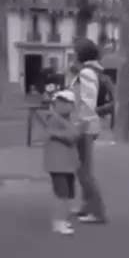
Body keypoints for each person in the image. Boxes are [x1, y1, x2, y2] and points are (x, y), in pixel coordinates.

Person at [67, 38, 107, 224]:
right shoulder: (85, 72)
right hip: (84, 123)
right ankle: (87, 205)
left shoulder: (87, 73)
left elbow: (87, 100)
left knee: (83, 169)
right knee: (82, 167)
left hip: (83, 124)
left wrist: (78, 122)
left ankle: (98, 211)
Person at [41, 89, 84, 235]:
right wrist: (73, 131)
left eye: (69, 103)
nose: (66, 106)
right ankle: (58, 221)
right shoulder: (53, 119)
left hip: (68, 164)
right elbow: (71, 136)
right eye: (62, 102)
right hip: (57, 165)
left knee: (69, 194)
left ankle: (62, 219)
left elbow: (74, 134)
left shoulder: (69, 120)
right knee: (62, 195)